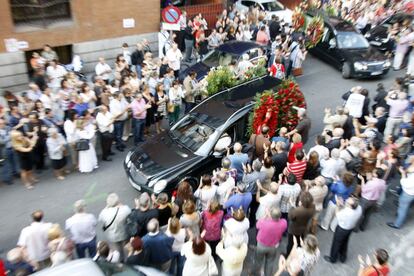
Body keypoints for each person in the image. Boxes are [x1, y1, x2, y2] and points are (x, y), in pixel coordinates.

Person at [324, 197, 362, 264]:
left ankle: (333, 258)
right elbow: (348, 207)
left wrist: (338, 205)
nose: (346, 200)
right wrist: (343, 205)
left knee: (336, 243)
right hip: (350, 228)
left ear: (350, 206)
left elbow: (337, 214)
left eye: (347, 202)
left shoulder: (347, 212)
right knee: (345, 242)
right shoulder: (359, 208)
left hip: (342, 229)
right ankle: (343, 257)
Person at [98, 193, 131, 261]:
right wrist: (121, 205)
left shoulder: (104, 212)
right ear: (117, 201)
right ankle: (128, 259)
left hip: (113, 236)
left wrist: (107, 206)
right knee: (126, 248)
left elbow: (100, 218)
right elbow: (129, 211)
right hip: (124, 233)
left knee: (118, 250)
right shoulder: (124, 210)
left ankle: (121, 260)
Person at [255, 207, 287, 276]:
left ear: (270, 215)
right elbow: (282, 223)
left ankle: (256, 274)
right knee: (270, 262)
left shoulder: (264, 223)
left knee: (258, 260)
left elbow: (257, 225)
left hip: (261, 245)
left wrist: (266, 216)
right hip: (273, 246)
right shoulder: (283, 223)